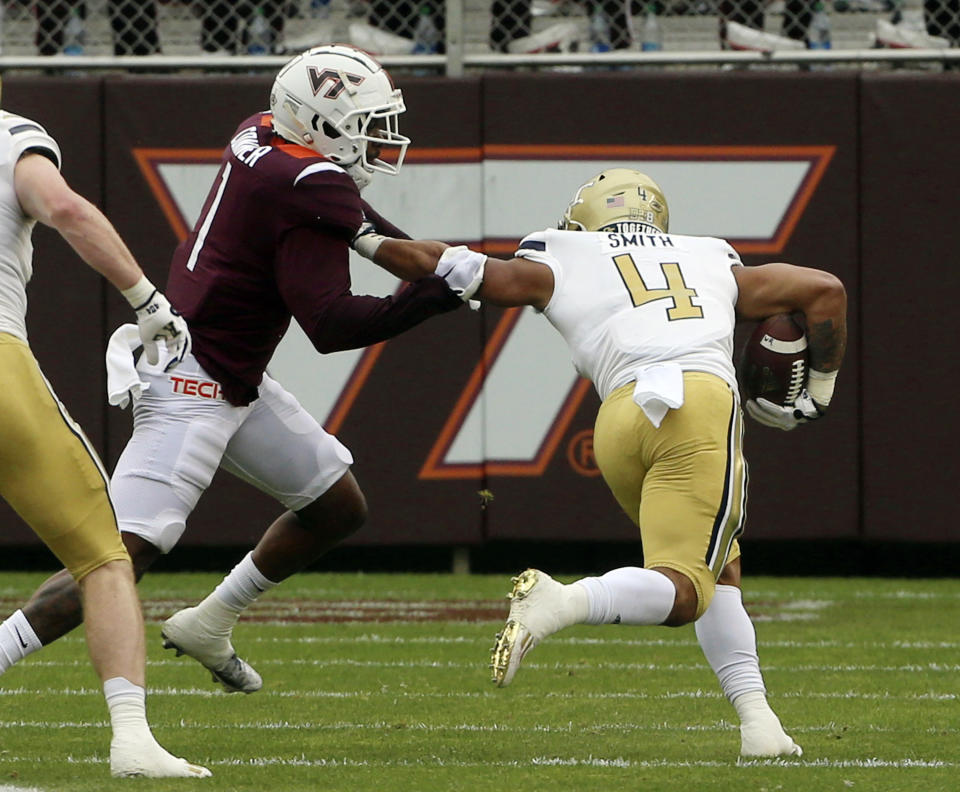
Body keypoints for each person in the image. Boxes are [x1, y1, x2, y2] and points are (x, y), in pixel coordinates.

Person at [0, 44, 465, 696]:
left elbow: (362, 226)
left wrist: (441, 266)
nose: (379, 139)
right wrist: (437, 293)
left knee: (335, 505)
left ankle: (209, 622)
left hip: (229, 371)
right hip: (193, 382)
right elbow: (333, 324)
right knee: (114, 559)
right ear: (319, 123)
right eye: (365, 123)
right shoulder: (308, 180)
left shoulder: (261, 132)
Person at [350, 168, 847, 757]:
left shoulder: (560, 254)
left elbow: (448, 265)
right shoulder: (710, 258)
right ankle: (562, 602)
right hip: (697, 406)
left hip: (619, 419)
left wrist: (358, 232)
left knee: (721, 569)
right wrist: (818, 391)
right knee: (685, 589)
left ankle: (759, 725)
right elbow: (825, 292)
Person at [0, 83, 208, 777]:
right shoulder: (12, 136)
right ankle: (131, 740)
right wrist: (147, 299)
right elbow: (59, 205)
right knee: (102, 557)